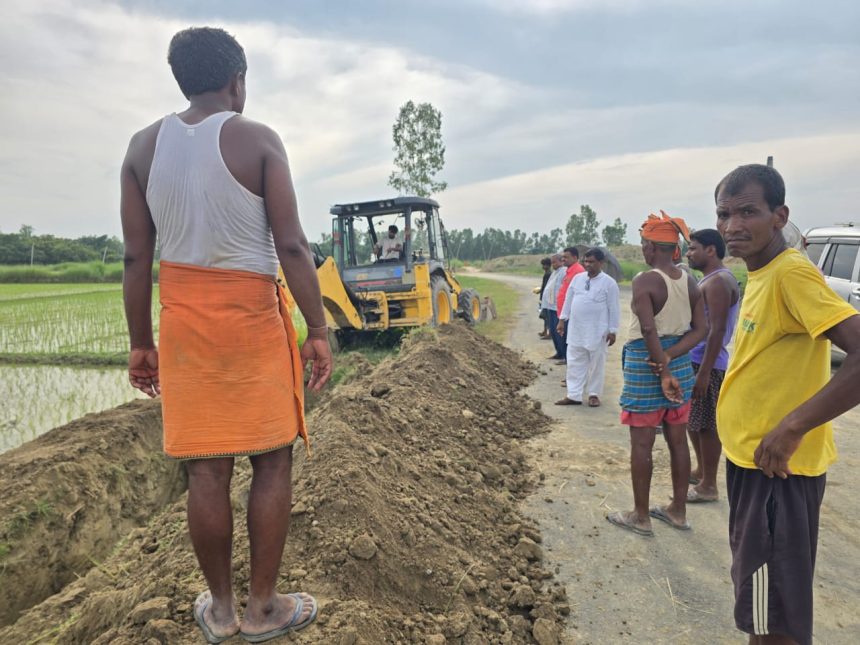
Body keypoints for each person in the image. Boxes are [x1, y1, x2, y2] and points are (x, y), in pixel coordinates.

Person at [121, 27, 332, 643]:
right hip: (252, 322)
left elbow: (137, 259)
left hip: (184, 325)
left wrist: (141, 343)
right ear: (237, 81)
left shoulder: (141, 148)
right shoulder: (257, 139)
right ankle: (264, 608)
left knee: (206, 473)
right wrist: (317, 327)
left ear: (182, 79)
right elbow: (291, 245)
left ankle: (220, 610)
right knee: (272, 460)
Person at [714, 164, 860, 645]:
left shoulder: (791, 272)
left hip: (777, 473)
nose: (733, 225)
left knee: (773, 616)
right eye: (724, 214)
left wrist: (792, 426)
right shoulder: (761, 273)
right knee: (762, 607)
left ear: (780, 216)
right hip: (753, 465)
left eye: (747, 212)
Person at [606, 212, 706, 537]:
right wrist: (671, 356)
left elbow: (648, 329)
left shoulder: (645, 280)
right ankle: (678, 511)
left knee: (642, 444)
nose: (642, 250)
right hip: (679, 363)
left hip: (646, 365)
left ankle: (641, 516)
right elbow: (701, 329)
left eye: (643, 244)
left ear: (651, 247)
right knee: (678, 441)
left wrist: (661, 367)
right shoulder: (689, 280)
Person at [685, 228, 740, 503]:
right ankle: (701, 471)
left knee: (706, 424)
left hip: (707, 363)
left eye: (693, 248)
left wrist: (705, 373)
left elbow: (717, 330)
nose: (688, 253)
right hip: (697, 359)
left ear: (710, 250)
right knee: (693, 421)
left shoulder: (718, 281)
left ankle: (709, 485)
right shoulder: (711, 278)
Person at [555, 248, 620, 407]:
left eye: (591, 262)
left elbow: (614, 308)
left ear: (601, 263)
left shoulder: (609, 283)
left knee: (596, 364)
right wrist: (562, 320)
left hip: (598, 331)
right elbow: (568, 300)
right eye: (586, 261)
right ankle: (574, 395)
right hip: (576, 329)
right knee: (574, 362)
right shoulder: (578, 279)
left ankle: (594, 394)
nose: (588, 264)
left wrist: (613, 330)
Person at [554, 246, 585, 363]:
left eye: (566, 257)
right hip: (564, 312)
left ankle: (571, 367)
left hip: (571, 314)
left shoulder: (578, 272)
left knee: (570, 342)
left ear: (575, 257)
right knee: (564, 340)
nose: (563, 259)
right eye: (563, 257)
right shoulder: (569, 270)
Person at [541, 253, 567, 360]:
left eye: (554, 262)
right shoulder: (555, 272)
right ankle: (559, 353)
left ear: (561, 261)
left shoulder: (564, 272)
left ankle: (564, 355)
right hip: (550, 306)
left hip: (558, 307)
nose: (553, 264)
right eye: (552, 263)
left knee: (559, 332)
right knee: (552, 330)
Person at [537, 256, 553, 339]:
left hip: (547, 297)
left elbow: (547, 287)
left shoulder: (548, 274)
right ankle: (545, 331)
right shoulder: (548, 273)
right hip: (545, 296)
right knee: (544, 315)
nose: (543, 267)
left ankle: (549, 333)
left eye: (544, 265)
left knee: (547, 316)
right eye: (543, 265)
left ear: (548, 265)